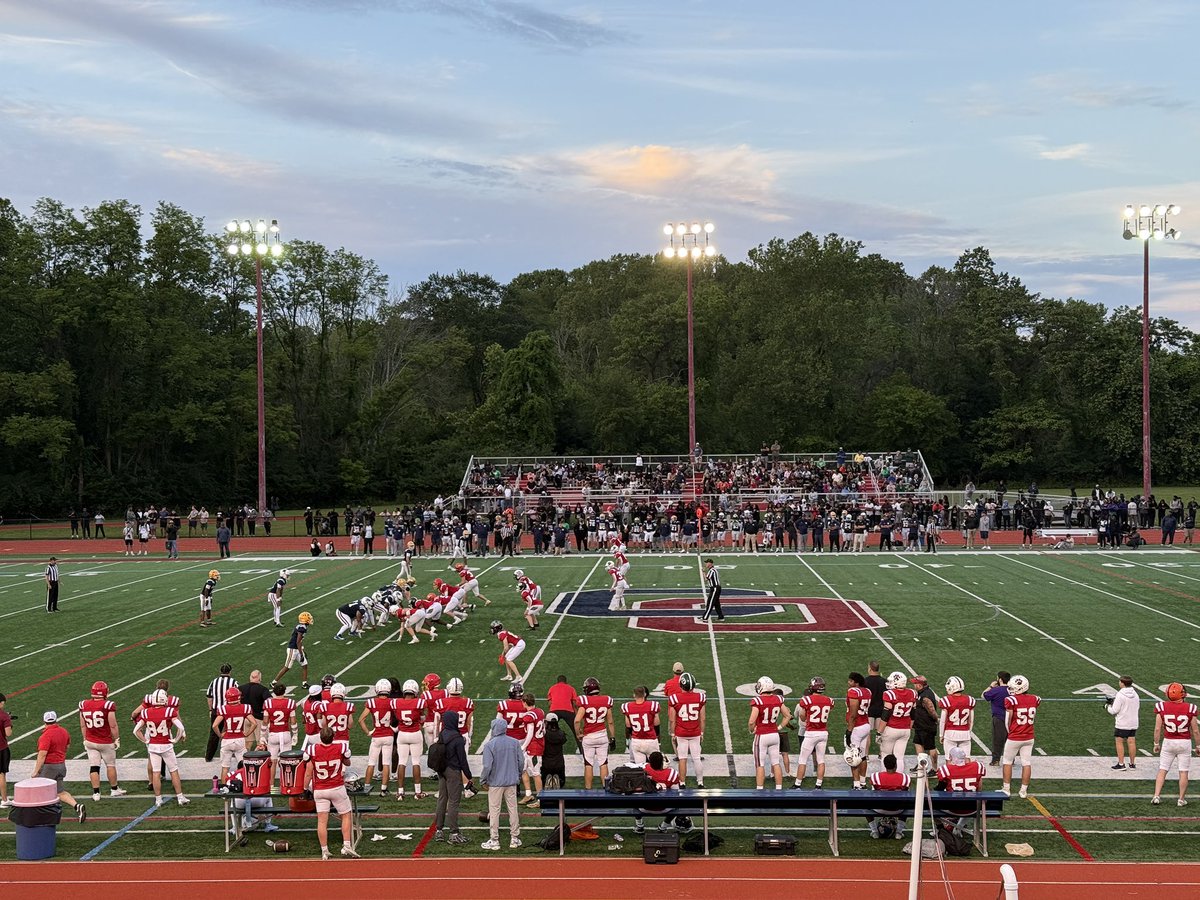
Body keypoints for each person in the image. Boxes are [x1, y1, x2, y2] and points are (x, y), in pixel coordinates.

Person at [303, 726, 360, 859]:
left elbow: (308, 772)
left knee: (322, 821)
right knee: (346, 815)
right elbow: (347, 762)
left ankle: (324, 850)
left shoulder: (312, 750)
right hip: (336, 788)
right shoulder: (341, 748)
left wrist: (305, 789)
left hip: (320, 789)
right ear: (333, 737)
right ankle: (346, 845)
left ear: (320, 737)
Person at [133, 689, 189, 807]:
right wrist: (176, 739)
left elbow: (135, 731)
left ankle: (158, 799)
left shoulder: (146, 712)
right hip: (166, 745)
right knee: (173, 771)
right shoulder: (169, 711)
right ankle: (180, 797)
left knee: (156, 773)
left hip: (153, 746)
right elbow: (181, 727)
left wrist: (146, 740)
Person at [31, 711, 87, 822]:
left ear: (44, 721)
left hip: (49, 767)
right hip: (61, 765)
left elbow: (42, 754)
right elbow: (67, 746)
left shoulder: (46, 735)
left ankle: (44, 815)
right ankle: (77, 806)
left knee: (41, 791)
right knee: (60, 792)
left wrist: (36, 771)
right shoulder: (64, 731)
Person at [1152, 682, 1199, 806]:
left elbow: (1157, 728)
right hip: (1184, 742)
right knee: (1183, 771)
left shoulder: (1162, 706)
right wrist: (1198, 746)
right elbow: (1195, 730)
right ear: (1183, 694)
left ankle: (1156, 796)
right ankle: (1181, 799)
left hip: (1169, 741)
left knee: (1162, 769)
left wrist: (1156, 743)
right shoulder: (1191, 708)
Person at [480, 717, 524, 850]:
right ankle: (514, 838)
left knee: (494, 811)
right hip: (511, 782)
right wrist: (518, 774)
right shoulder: (514, 742)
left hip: (495, 783)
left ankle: (494, 840)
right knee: (513, 809)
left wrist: (483, 780)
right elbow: (521, 762)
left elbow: (487, 766)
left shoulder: (489, 745)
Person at [78, 681, 125, 801]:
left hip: (90, 741)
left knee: (94, 767)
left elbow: (83, 726)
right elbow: (113, 725)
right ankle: (114, 789)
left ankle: (96, 793)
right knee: (110, 765)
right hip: (105, 742)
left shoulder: (84, 704)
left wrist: (84, 738)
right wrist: (117, 738)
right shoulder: (108, 705)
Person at [432, 710, 474, 846]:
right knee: (454, 802)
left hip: (442, 770)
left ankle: (439, 830)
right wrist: (469, 776)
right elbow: (463, 760)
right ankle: (454, 833)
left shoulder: (442, 734)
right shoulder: (457, 737)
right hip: (453, 771)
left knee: (442, 800)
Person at [1000, 674, 1041, 799]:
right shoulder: (1035, 698)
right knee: (1026, 763)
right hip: (1029, 736)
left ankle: (1006, 788)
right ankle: (1023, 791)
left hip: (1015, 736)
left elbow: (1008, 719)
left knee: (1007, 762)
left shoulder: (1011, 700)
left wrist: (1010, 732)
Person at [633, 751, 691, 835]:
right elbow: (676, 793)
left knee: (634, 800)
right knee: (676, 804)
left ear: (649, 761)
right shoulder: (671, 773)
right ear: (661, 762)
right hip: (664, 808)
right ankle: (663, 827)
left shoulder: (643, 770)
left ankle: (639, 826)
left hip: (644, 807)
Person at [749, 675, 790, 789]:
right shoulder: (778, 699)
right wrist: (779, 727)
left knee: (760, 764)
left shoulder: (758, 701)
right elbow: (787, 715)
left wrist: (751, 729)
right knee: (775, 762)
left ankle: (760, 789)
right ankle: (779, 788)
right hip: (774, 735)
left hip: (762, 735)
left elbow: (752, 721)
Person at [574, 676, 615, 789]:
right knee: (603, 763)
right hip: (602, 735)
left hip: (589, 736)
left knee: (588, 764)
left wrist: (578, 734)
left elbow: (577, 720)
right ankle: (605, 788)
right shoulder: (606, 700)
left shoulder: (584, 700)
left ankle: (588, 789)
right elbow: (610, 722)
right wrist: (613, 737)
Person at [391, 679, 428, 800]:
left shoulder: (396, 702)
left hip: (402, 734)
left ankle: (400, 792)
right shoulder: (419, 702)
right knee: (416, 762)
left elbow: (395, 715)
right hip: (415, 733)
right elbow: (422, 717)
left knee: (402, 762)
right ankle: (417, 792)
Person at [213, 685, 258, 785]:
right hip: (239, 740)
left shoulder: (223, 709)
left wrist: (220, 735)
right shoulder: (245, 708)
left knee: (225, 768)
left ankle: (225, 790)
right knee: (244, 767)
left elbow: (215, 725)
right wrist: (247, 733)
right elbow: (254, 723)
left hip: (227, 740)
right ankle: (245, 787)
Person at [793, 677, 833, 789]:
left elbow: (802, 716)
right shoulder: (829, 700)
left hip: (811, 733)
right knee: (821, 760)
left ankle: (797, 784)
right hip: (823, 732)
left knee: (802, 759)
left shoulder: (807, 700)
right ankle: (818, 785)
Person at [668, 673, 706, 787]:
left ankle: (682, 782)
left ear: (681, 685)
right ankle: (700, 782)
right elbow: (703, 718)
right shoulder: (700, 697)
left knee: (682, 758)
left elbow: (672, 719)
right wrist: (702, 732)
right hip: (695, 732)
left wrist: (673, 732)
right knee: (696, 758)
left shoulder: (675, 698)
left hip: (681, 732)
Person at [360, 679, 396, 796]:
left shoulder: (371, 702)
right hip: (388, 735)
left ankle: (366, 787)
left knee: (371, 763)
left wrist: (368, 732)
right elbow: (401, 716)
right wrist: (395, 728)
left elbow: (361, 719)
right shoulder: (392, 702)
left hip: (376, 735)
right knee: (386, 763)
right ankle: (384, 789)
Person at [876, 672, 916, 770]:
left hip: (891, 728)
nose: (889, 683)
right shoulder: (912, 693)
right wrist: (909, 727)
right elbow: (913, 714)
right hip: (905, 729)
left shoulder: (890, 694)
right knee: (899, 757)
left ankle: (884, 779)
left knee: (885, 755)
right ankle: (899, 780)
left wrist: (879, 732)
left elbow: (885, 715)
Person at [867, 753, 909, 839]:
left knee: (866, 805)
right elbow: (905, 793)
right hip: (898, 809)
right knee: (907, 803)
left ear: (885, 765)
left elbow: (874, 789)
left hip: (880, 808)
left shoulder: (876, 777)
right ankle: (899, 832)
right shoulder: (904, 778)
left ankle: (875, 831)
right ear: (896, 765)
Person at [204, 663, 238, 762]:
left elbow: (209, 696)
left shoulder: (214, 682)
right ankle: (235, 753)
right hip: (229, 710)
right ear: (230, 672)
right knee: (232, 731)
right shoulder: (233, 682)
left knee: (213, 733)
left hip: (217, 710)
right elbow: (238, 696)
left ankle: (209, 756)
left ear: (220, 671)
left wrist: (210, 709)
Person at [1106, 675, 1141, 770]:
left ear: (1123, 683)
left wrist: (1107, 706)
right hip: (1133, 722)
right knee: (1131, 742)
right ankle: (1132, 764)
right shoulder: (1136, 694)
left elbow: (1114, 710)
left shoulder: (1120, 695)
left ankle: (1121, 764)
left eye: (1120, 682)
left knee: (1119, 741)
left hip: (1123, 723)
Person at [845, 672, 872, 789]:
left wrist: (849, 729)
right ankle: (863, 782)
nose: (848, 683)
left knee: (853, 755)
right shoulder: (868, 691)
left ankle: (856, 784)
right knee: (863, 756)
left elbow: (853, 714)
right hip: (866, 724)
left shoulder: (853, 692)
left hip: (857, 726)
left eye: (851, 681)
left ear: (856, 683)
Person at [623, 685, 661, 766]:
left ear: (634, 695)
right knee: (656, 766)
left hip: (637, 740)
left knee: (641, 768)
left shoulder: (627, 707)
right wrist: (657, 736)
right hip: (651, 740)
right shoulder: (653, 705)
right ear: (644, 694)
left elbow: (628, 725)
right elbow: (656, 723)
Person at [260, 681, 298, 762]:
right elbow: (293, 721)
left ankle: (272, 775)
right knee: (286, 762)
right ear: (284, 691)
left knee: (272, 761)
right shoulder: (290, 702)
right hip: (285, 734)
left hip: (273, 734)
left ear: (274, 691)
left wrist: (262, 735)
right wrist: (295, 734)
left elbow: (265, 721)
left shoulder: (268, 703)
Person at [939, 676, 976, 757]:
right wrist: (968, 732)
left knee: (949, 758)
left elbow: (943, 721)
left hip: (950, 733)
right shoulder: (970, 699)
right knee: (966, 758)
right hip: (965, 733)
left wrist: (941, 735)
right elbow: (971, 720)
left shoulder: (946, 700)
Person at [910, 674, 940, 771]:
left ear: (919, 685)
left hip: (926, 726)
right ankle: (921, 765)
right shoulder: (922, 693)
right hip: (920, 725)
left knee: (931, 747)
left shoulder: (925, 695)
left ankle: (934, 769)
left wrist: (936, 720)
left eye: (915, 683)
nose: (914, 685)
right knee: (918, 743)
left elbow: (932, 711)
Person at [274, 612, 313, 686]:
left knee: (305, 665)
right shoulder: (302, 628)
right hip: (293, 649)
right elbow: (298, 641)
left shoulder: (302, 626)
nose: (310, 619)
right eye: (309, 618)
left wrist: (302, 651)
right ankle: (273, 682)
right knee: (287, 667)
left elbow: (300, 641)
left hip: (297, 649)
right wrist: (301, 654)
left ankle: (304, 683)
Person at [983, 672, 1011, 767]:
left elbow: (984, 695)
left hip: (999, 718)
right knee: (1010, 740)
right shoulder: (1013, 690)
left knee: (998, 740)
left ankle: (996, 760)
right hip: (1012, 719)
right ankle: (1011, 759)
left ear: (1000, 679)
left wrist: (991, 686)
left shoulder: (996, 690)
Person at [546, 675, 579, 752]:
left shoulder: (552, 688)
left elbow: (550, 703)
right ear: (566, 682)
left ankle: (547, 748)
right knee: (576, 730)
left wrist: (550, 713)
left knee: (547, 730)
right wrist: (576, 715)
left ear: (557, 681)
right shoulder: (571, 688)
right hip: (568, 710)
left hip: (554, 710)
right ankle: (581, 749)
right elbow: (574, 703)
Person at [541, 713, 567, 789]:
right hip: (559, 764)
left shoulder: (544, 734)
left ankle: (547, 780)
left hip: (546, 764)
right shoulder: (561, 734)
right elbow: (564, 740)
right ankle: (557, 780)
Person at [0, 693, 12, 808]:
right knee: (1, 774)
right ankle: (4, 800)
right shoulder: (4, 716)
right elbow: (8, 733)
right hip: (1, 748)